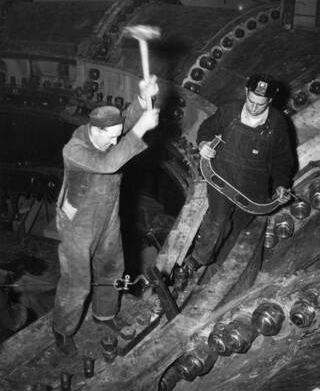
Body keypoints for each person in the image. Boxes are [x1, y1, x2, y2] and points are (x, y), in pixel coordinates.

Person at [52, 76, 159, 356]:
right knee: (77, 282)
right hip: (79, 222)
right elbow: (108, 164)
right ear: (93, 129)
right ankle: (62, 329)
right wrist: (140, 132)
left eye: (118, 135)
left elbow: (126, 119)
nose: (115, 141)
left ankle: (106, 314)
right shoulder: (74, 149)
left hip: (108, 213)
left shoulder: (109, 133)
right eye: (110, 136)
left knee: (112, 268)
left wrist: (143, 98)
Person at [185, 73, 295, 272]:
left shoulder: (278, 124)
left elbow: (283, 160)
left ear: (270, 101)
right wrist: (203, 143)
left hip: (252, 188)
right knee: (218, 221)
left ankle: (221, 268)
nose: (253, 107)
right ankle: (199, 259)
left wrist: (281, 184)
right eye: (251, 101)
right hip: (222, 176)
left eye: (260, 104)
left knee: (237, 229)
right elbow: (207, 128)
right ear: (246, 92)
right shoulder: (230, 111)